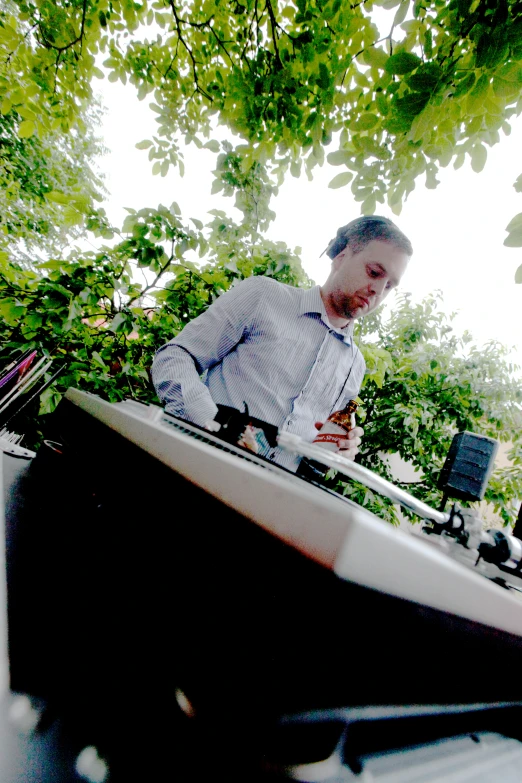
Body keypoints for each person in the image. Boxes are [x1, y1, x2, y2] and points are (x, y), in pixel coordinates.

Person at [151, 215, 413, 472]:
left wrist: (339, 452)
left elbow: (318, 450)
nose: (378, 291)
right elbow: (175, 356)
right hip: (193, 468)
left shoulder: (355, 366)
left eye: (389, 285)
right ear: (341, 256)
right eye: (374, 272)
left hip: (267, 504)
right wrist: (211, 426)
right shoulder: (263, 296)